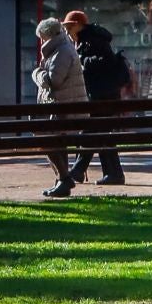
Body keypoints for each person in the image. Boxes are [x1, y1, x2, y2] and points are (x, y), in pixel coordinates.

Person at [66, 11, 133, 186]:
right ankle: (112, 173)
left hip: (103, 96)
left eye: (69, 26)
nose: (67, 31)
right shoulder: (87, 39)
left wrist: (82, 62)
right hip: (102, 96)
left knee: (94, 132)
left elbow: (105, 61)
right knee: (100, 133)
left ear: (79, 25)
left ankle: (80, 171)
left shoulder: (92, 40)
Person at [31, 17, 86, 197]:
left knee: (44, 137)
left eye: (42, 37)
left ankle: (64, 178)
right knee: (49, 137)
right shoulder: (59, 49)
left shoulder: (62, 51)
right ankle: (62, 180)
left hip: (66, 111)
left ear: (49, 36)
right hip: (64, 110)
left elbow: (54, 80)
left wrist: (37, 74)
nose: (41, 41)